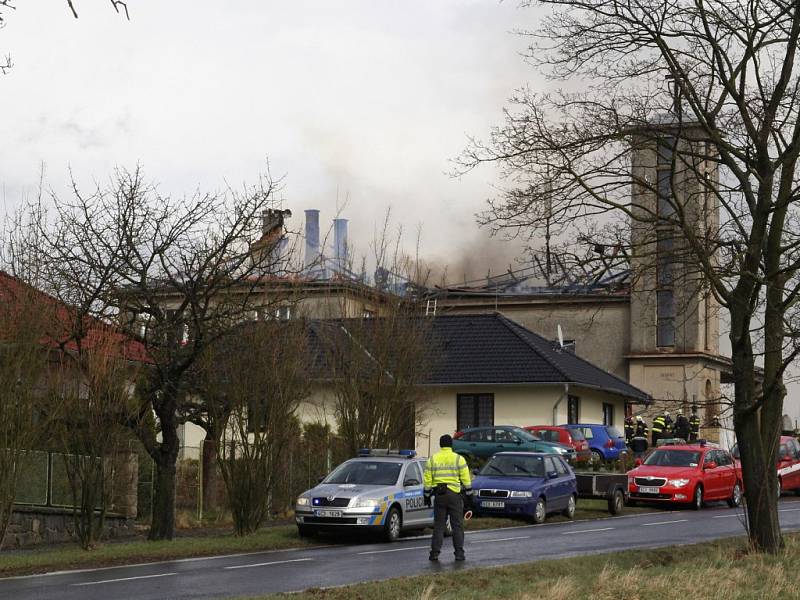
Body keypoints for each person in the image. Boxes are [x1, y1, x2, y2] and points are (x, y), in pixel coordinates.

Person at [423, 434, 473, 562]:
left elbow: (427, 480)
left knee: (439, 526)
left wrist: (427, 495)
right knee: (457, 525)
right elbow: (466, 478)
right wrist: (469, 493)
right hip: (454, 494)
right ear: (451, 445)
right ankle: (459, 553)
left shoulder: (432, 459)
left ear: (440, 445)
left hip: (439, 495)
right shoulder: (458, 459)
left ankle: (434, 553)